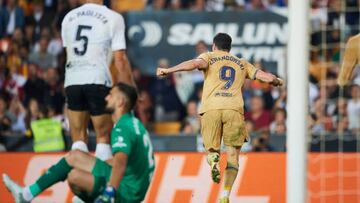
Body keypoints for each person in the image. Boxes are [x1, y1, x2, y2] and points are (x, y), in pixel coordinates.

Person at [156, 33, 283, 203]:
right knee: (233, 158)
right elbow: (265, 77)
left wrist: (169, 70)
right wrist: (276, 81)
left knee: (212, 148)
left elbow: (194, 64)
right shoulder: (241, 63)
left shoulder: (209, 56)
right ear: (229, 48)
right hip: (234, 110)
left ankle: (213, 156)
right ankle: (225, 194)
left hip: (211, 108)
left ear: (214, 46)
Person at [3, 82, 155, 203]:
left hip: (126, 193)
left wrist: (110, 191)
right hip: (132, 185)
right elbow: (123, 162)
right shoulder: (134, 124)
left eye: (111, 95)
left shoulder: (123, 128)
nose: (107, 97)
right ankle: (26, 195)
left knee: (75, 178)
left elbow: (120, 164)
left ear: (120, 102)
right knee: (75, 156)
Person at [61, 0, 135, 161]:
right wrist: (128, 91)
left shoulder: (68, 17)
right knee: (103, 139)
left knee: (78, 139)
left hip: (72, 79)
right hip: (97, 79)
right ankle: (103, 184)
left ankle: (79, 182)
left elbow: (68, 54)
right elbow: (120, 60)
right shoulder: (113, 17)